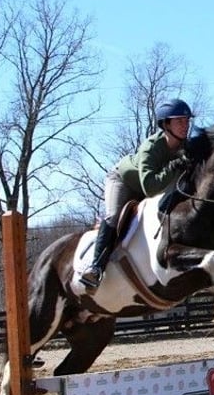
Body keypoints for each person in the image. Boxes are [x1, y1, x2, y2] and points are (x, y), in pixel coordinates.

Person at [79, 98, 194, 291]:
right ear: (166, 124)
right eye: (180, 121)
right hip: (123, 182)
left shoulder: (186, 146)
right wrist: (173, 166)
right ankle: (96, 267)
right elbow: (149, 188)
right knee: (114, 217)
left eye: (187, 121)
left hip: (148, 187)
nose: (185, 125)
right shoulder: (151, 148)